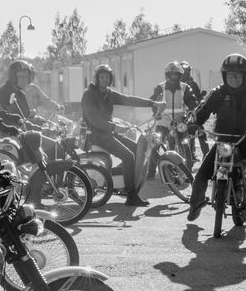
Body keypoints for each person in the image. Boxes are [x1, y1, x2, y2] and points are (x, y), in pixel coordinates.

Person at [184, 53, 246, 233]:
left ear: (244, 75)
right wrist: (193, 124)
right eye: (230, 75)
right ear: (224, 76)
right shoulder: (218, 93)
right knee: (202, 173)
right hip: (224, 143)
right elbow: (201, 110)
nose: (234, 78)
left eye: (238, 74)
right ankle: (196, 203)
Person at [81, 63, 156, 207]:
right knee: (128, 156)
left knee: (136, 149)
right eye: (101, 77)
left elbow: (128, 99)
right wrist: (115, 127)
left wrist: (152, 103)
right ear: (97, 78)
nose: (104, 80)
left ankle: (119, 179)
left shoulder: (109, 93)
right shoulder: (89, 94)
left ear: (111, 79)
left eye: (107, 77)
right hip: (96, 134)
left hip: (108, 132)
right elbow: (94, 119)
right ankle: (131, 195)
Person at [149, 61, 199, 167]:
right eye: (172, 74)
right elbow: (154, 100)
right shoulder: (160, 87)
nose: (174, 76)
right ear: (167, 74)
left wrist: (193, 106)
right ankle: (153, 169)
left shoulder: (185, 87)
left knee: (185, 142)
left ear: (180, 75)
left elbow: (191, 100)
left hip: (180, 121)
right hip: (163, 121)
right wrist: (155, 109)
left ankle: (188, 169)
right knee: (154, 145)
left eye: (176, 74)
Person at [179, 60, 208, 157]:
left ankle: (206, 155)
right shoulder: (175, 84)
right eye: (183, 71)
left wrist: (201, 100)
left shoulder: (192, 83)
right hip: (178, 113)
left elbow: (198, 97)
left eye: (187, 70)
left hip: (191, 112)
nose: (185, 73)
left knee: (201, 131)